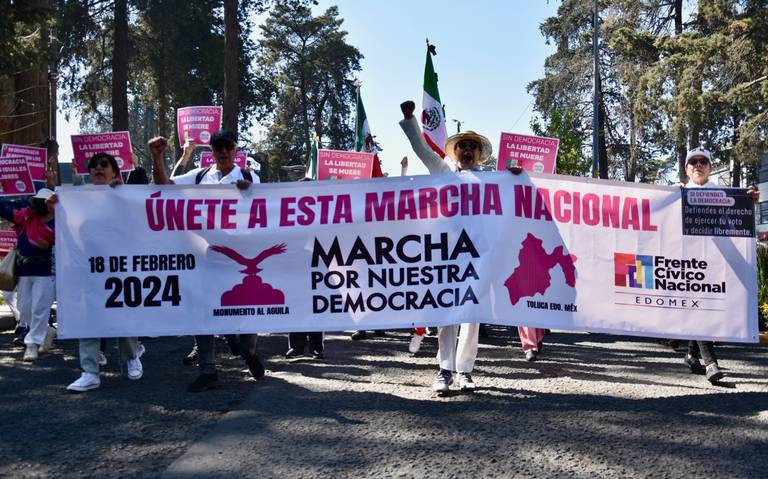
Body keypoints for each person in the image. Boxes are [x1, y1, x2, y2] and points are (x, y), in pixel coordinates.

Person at [399, 100, 522, 393]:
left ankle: (465, 371)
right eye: (462, 146)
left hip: (479, 258)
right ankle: (445, 370)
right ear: (455, 153)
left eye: (472, 147)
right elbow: (422, 151)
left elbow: (515, 198)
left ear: (479, 154)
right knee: (446, 314)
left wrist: (518, 176)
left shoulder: (493, 181)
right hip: (448, 255)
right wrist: (410, 119)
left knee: (472, 317)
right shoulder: (443, 172)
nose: (467, 151)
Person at [150, 130, 266, 392]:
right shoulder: (200, 177)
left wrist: (250, 194)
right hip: (206, 255)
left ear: (236, 150)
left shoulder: (249, 177)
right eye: (218, 148)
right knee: (202, 309)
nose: (223, 151)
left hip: (240, 256)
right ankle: (208, 369)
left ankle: (248, 351)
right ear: (212, 152)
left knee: (245, 310)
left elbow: (266, 210)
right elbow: (163, 186)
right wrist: (157, 157)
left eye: (228, 147)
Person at [676, 146, 759, 384]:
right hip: (688, 262)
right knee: (700, 307)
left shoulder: (723, 193)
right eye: (694, 162)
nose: (698, 165)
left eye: (703, 161)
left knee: (705, 307)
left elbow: (736, 221)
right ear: (687, 169)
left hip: (717, 261)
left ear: (710, 167)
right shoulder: (678, 192)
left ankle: (692, 354)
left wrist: (749, 201)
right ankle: (711, 363)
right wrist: (670, 196)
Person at [66, 153, 146, 392]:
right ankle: (90, 371)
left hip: (119, 268)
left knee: (124, 314)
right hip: (89, 269)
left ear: (114, 172)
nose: (99, 169)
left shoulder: (124, 196)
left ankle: (132, 357)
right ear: (88, 172)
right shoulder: (76, 199)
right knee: (89, 320)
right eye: (94, 166)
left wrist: (122, 196)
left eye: (104, 165)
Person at [0, 188, 57, 361]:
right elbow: (3, 208)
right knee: (24, 310)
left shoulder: (59, 221)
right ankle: (47, 331)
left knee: (40, 307)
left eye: (44, 201)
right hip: (24, 270)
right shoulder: (26, 216)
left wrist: (49, 245)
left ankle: (31, 345)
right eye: (37, 201)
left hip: (46, 272)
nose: (40, 204)